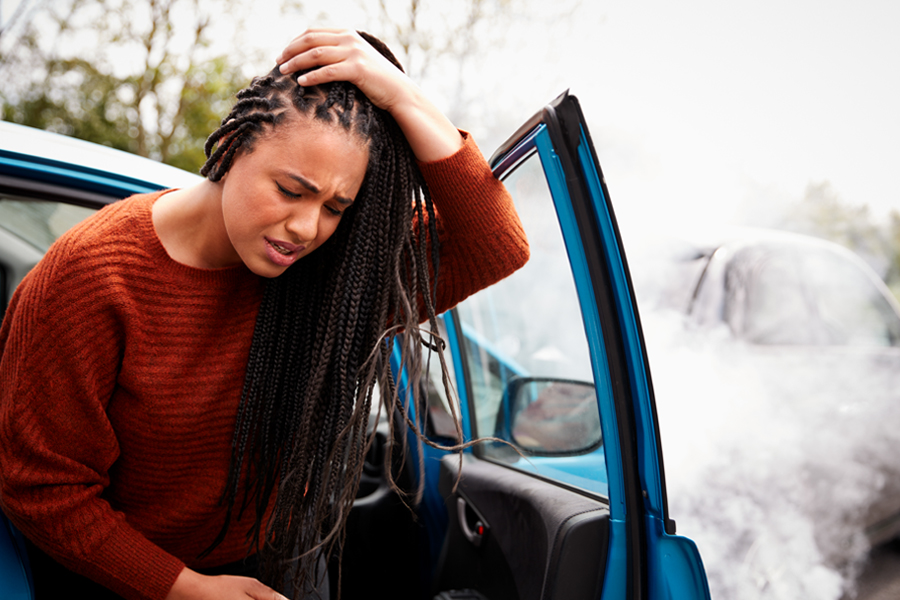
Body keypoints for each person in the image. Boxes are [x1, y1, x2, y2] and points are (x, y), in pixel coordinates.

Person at [0, 29, 529, 600]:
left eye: (334, 207)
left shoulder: (330, 276)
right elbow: (43, 489)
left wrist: (403, 96)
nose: (306, 228)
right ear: (232, 147)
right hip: (127, 577)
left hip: (282, 559)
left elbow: (495, 243)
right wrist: (189, 589)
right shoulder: (92, 276)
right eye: (289, 189)